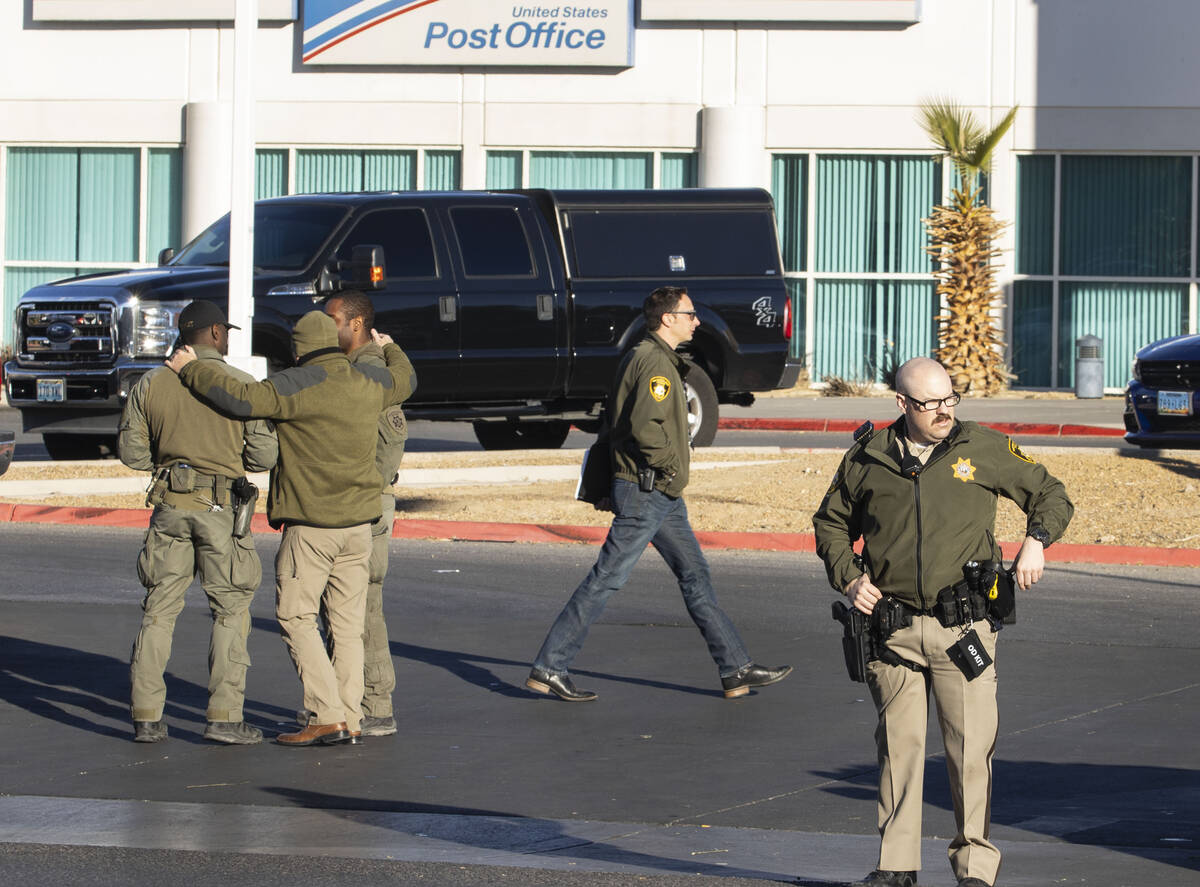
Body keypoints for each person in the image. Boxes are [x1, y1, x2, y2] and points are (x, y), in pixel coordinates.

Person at [811, 357, 1074, 887]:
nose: (943, 412)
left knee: (970, 753)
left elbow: (1051, 493)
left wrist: (1035, 542)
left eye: (950, 399)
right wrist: (849, 579)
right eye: (930, 403)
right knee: (898, 751)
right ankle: (896, 865)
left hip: (963, 630)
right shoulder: (868, 457)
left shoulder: (982, 448)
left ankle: (974, 866)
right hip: (894, 632)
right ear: (902, 404)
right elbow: (831, 524)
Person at [527, 285, 791, 702]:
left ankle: (735, 669)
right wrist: (669, 467)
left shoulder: (652, 358)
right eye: (690, 314)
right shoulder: (654, 365)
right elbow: (646, 429)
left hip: (660, 493)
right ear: (668, 319)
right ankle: (550, 666)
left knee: (695, 575)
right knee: (606, 580)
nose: (697, 321)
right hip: (647, 489)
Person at [166, 310, 415, 747]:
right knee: (347, 625)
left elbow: (239, 397)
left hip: (311, 527)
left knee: (296, 617)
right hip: (359, 525)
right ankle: (351, 716)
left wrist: (192, 369)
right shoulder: (367, 384)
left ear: (298, 349)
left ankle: (326, 715)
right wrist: (389, 346)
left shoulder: (295, 385)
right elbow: (406, 379)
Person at [118, 300, 278, 745]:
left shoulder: (151, 383)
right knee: (230, 609)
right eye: (224, 330)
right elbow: (264, 456)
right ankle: (224, 717)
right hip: (221, 512)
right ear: (212, 334)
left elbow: (132, 455)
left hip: (170, 507)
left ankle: (146, 714)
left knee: (159, 610)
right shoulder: (241, 385)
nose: (227, 337)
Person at [321, 291, 413, 737]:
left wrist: (359, 495)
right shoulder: (369, 369)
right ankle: (358, 702)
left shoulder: (368, 374)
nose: (326, 327)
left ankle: (371, 704)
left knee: (359, 609)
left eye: (332, 320)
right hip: (367, 503)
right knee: (353, 608)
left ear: (355, 325)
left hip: (365, 506)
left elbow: (386, 448)